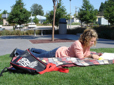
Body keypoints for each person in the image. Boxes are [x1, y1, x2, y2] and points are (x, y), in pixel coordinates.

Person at [10, 29, 100, 59]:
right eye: (92, 41)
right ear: (86, 39)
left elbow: (87, 54)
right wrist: (91, 56)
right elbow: (80, 57)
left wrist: (92, 55)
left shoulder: (87, 45)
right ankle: (17, 51)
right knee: (39, 56)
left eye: (94, 41)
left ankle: (32, 49)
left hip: (60, 50)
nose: (93, 43)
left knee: (44, 52)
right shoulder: (78, 44)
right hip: (57, 53)